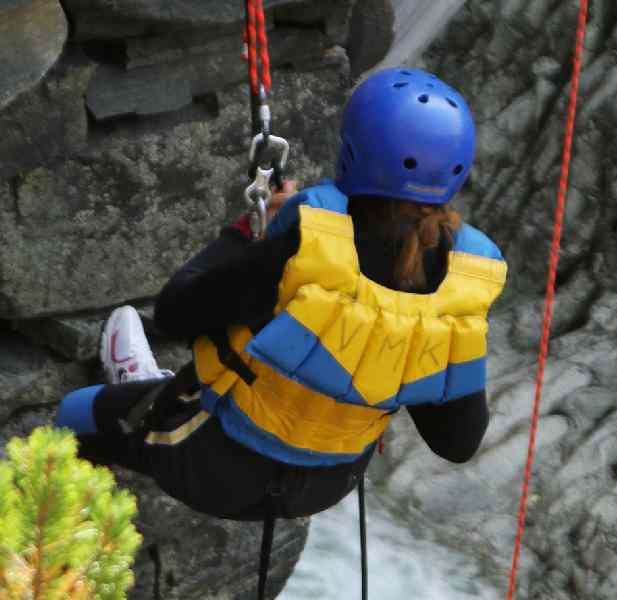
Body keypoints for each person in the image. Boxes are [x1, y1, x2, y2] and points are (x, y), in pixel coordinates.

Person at [53, 67, 507, 522]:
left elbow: (176, 311)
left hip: (212, 465)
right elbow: (457, 443)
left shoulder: (311, 247)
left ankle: (64, 528)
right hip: (324, 487)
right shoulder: (464, 283)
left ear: (354, 150)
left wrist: (248, 231)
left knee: (74, 413)